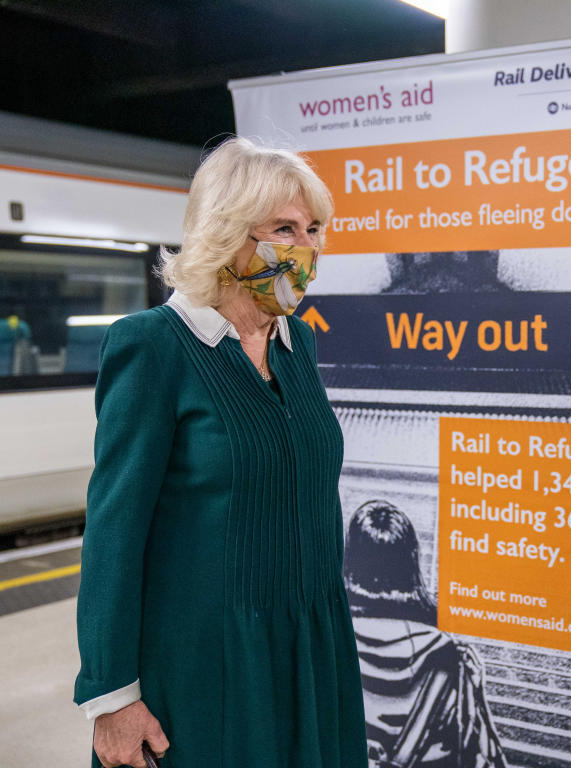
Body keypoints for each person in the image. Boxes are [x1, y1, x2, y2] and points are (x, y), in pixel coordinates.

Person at [74, 137, 366, 768]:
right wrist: (110, 695)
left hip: (310, 649)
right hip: (205, 666)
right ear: (227, 233)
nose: (309, 247)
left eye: (315, 228)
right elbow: (113, 532)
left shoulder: (298, 345)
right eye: (285, 228)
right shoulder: (154, 347)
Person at [343, 500, 507, 768]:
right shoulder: (453, 658)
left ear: (349, 560)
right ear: (410, 564)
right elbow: (483, 758)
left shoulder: (326, 643)